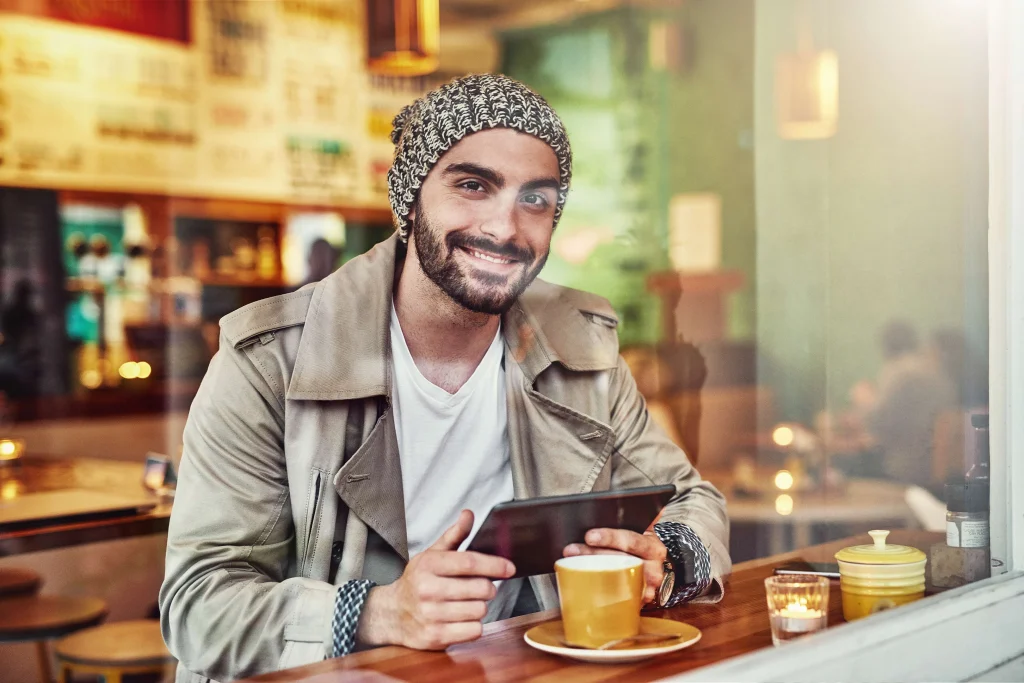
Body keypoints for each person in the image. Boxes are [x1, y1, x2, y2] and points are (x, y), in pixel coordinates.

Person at [160, 75, 730, 683]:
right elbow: (199, 606)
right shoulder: (271, 361)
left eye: (535, 199)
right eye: (472, 186)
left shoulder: (578, 345)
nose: (506, 228)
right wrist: (375, 613)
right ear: (408, 202)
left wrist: (664, 559)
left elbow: (693, 500)